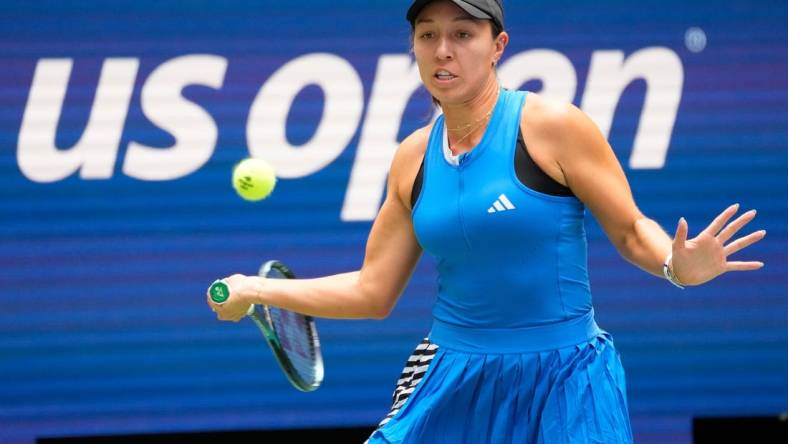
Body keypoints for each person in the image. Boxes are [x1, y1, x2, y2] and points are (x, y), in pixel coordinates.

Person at [208, 0, 766, 442]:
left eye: (463, 34)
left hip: (567, 380)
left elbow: (629, 228)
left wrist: (675, 264)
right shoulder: (411, 159)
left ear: (497, 45)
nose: (443, 50)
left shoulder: (552, 126)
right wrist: (257, 290)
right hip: (453, 374)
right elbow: (372, 290)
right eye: (427, 35)